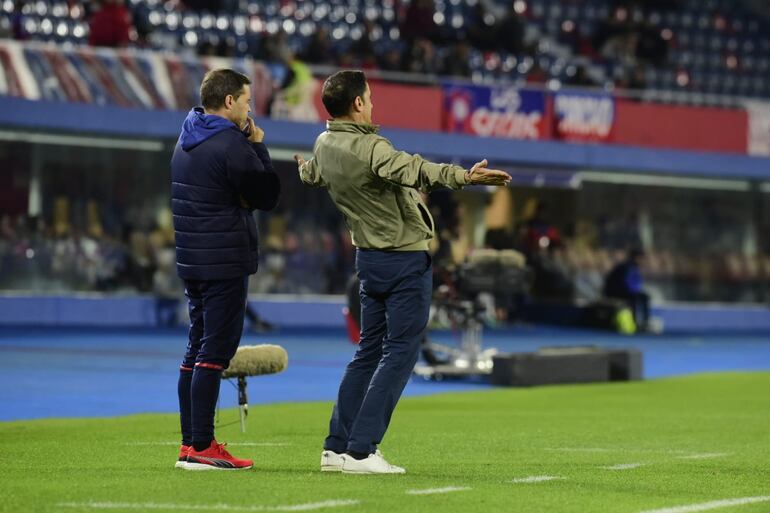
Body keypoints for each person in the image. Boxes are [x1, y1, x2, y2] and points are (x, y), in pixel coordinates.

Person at [294, 70, 510, 474]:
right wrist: (465, 177)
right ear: (358, 103)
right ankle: (361, 451)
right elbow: (415, 170)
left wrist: (303, 169)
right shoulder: (371, 147)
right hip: (403, 262)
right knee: (401, 352)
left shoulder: (324, 145)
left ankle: (335, 448)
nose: (373, 104)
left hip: (368, 263)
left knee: (368, 352)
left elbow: (314, 176)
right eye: (369, 98)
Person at [171, 68, 280, 470]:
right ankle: (202, 446)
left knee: (195, 348)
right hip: (224, 260)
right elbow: (267, 194)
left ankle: (189, 443)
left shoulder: (185, 139)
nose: (251, 109)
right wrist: (259, 146)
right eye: (248, 101)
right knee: (215, 353)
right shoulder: (231, 143)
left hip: (192, 259)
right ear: (230, 100)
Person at [603, 248, 650, 332]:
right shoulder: (628, 267)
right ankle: (637, 323)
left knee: (642, 296)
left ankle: (643, 322)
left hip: (619, 291)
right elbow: (627, 283)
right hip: (615, 292)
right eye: (641, 258)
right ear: (637, 257)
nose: (643, 261)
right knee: (637, 297)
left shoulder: (629, 266)